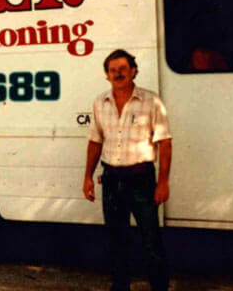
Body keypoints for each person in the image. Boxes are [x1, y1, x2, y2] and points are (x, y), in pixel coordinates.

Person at [83, 49, 172, 291]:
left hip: (142, 179)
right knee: (116, 241)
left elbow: (164, 142)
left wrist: (163, 182)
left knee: (151, 240)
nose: (118, 74)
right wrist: (87, 178)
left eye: (123, 69)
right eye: (113, 70)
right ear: (106, 75)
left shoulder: (151, 101)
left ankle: (159, 287)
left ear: (133, 71)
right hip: (112, 180)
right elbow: (95, 141)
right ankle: (120, 286)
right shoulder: (100, 102)